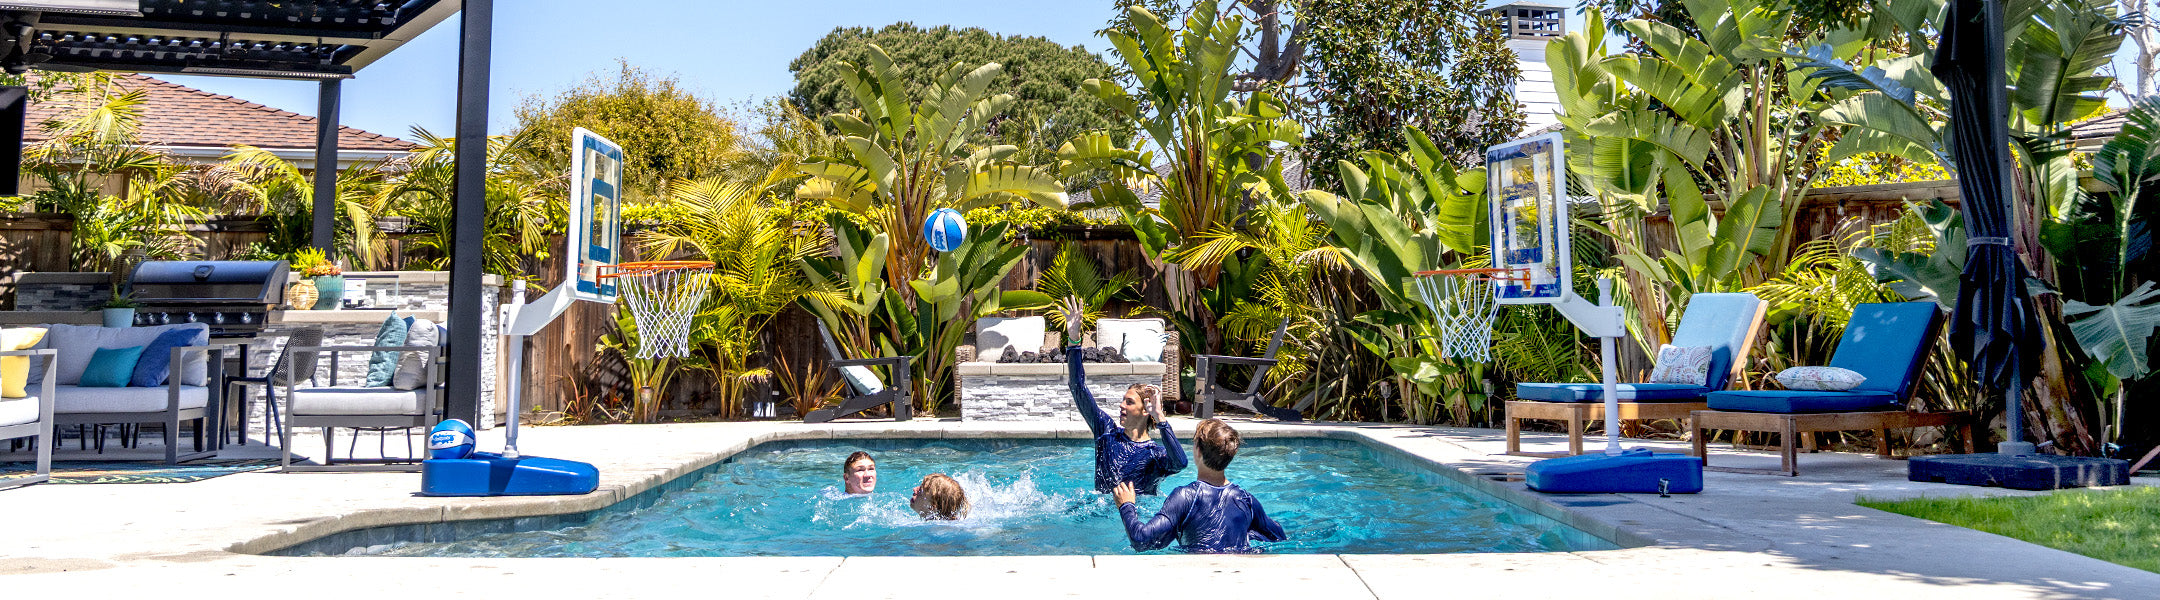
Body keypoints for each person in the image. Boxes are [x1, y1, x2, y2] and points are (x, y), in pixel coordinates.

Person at [1065, 301, 1187, 494]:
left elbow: (1180, 463)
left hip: (1137, 513)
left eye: (1129, 402)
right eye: (1123, 400)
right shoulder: (1106, 433)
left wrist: (1160, 418)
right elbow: (1077, 388)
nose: (1121, 405)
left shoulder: (1155, 454)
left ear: (1146, 411)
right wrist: (1074, 341)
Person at [1113, 418, 1285, 553]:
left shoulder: (1185, 497)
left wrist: (1126, 505)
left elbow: (1142, 541)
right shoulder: (1246, 500)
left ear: (1198, 451)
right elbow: (1279, 536)